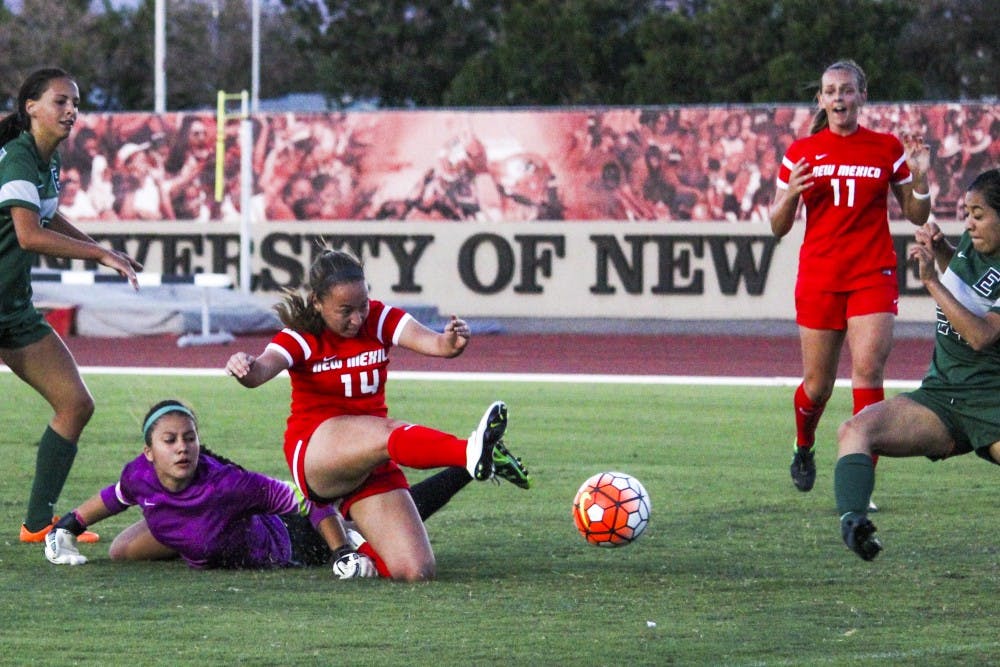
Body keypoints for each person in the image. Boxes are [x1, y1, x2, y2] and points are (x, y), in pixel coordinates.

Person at [225, 249, 531, 581]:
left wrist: (450, 342)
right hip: (316, 451)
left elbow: (435, 344)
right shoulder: (303, 336)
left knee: (415, 569)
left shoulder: (378, 318)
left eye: (362, 306)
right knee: (385, 431)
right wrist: (245, 366)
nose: (357, 318)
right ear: (317, 302)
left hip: (373, 456)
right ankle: (469, 453)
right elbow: (261, 371)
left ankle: (354, 554)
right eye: (345, 310)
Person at [769, 59, 931, 503]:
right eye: (830, 91)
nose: (838, 98)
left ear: (862, 95)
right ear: (821, 99)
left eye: (846, 90)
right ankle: (804, 445)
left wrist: (920, 177)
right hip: (820, 278)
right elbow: (778, 225)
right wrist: (792, 195)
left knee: (868, 373)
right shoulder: (800, 152)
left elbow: (916, 213)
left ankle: (861, 485)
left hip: (871, 274)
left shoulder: (885, 147)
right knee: (817, 385)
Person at [0, 67, 142, 543]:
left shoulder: (47, 159)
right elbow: (29, 234)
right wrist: (99, 253)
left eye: (75, 102)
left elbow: (48, 214)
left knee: (75, 404)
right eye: (60, 102)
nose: (71, 111)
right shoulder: (18, 157)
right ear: (31, 108)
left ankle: (38, 524)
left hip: (12, 310)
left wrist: (101, 249)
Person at [835, 169, 1000, 560]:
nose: (969, 223)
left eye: (978, 214)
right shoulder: (970, 249)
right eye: (967, 213)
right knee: (855, 430)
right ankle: (854, 523)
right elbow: (970, 285)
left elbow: (981, 336)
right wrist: (942, 252)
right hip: (941, 399)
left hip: (992, 402)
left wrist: (931, 283)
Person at [43, 400, 373, 576]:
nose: (182, 448)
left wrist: (341, 552)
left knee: (365, 528)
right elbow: (116, 497)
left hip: (289, 540)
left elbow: (310, 500)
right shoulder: (138, 474)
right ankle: (186, 530)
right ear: (149, 452)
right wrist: (68, 527)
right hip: (201, 534)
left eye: (189, 438)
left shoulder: (230, 485)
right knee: (119, 552)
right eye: (169, 441)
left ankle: (358, 526)